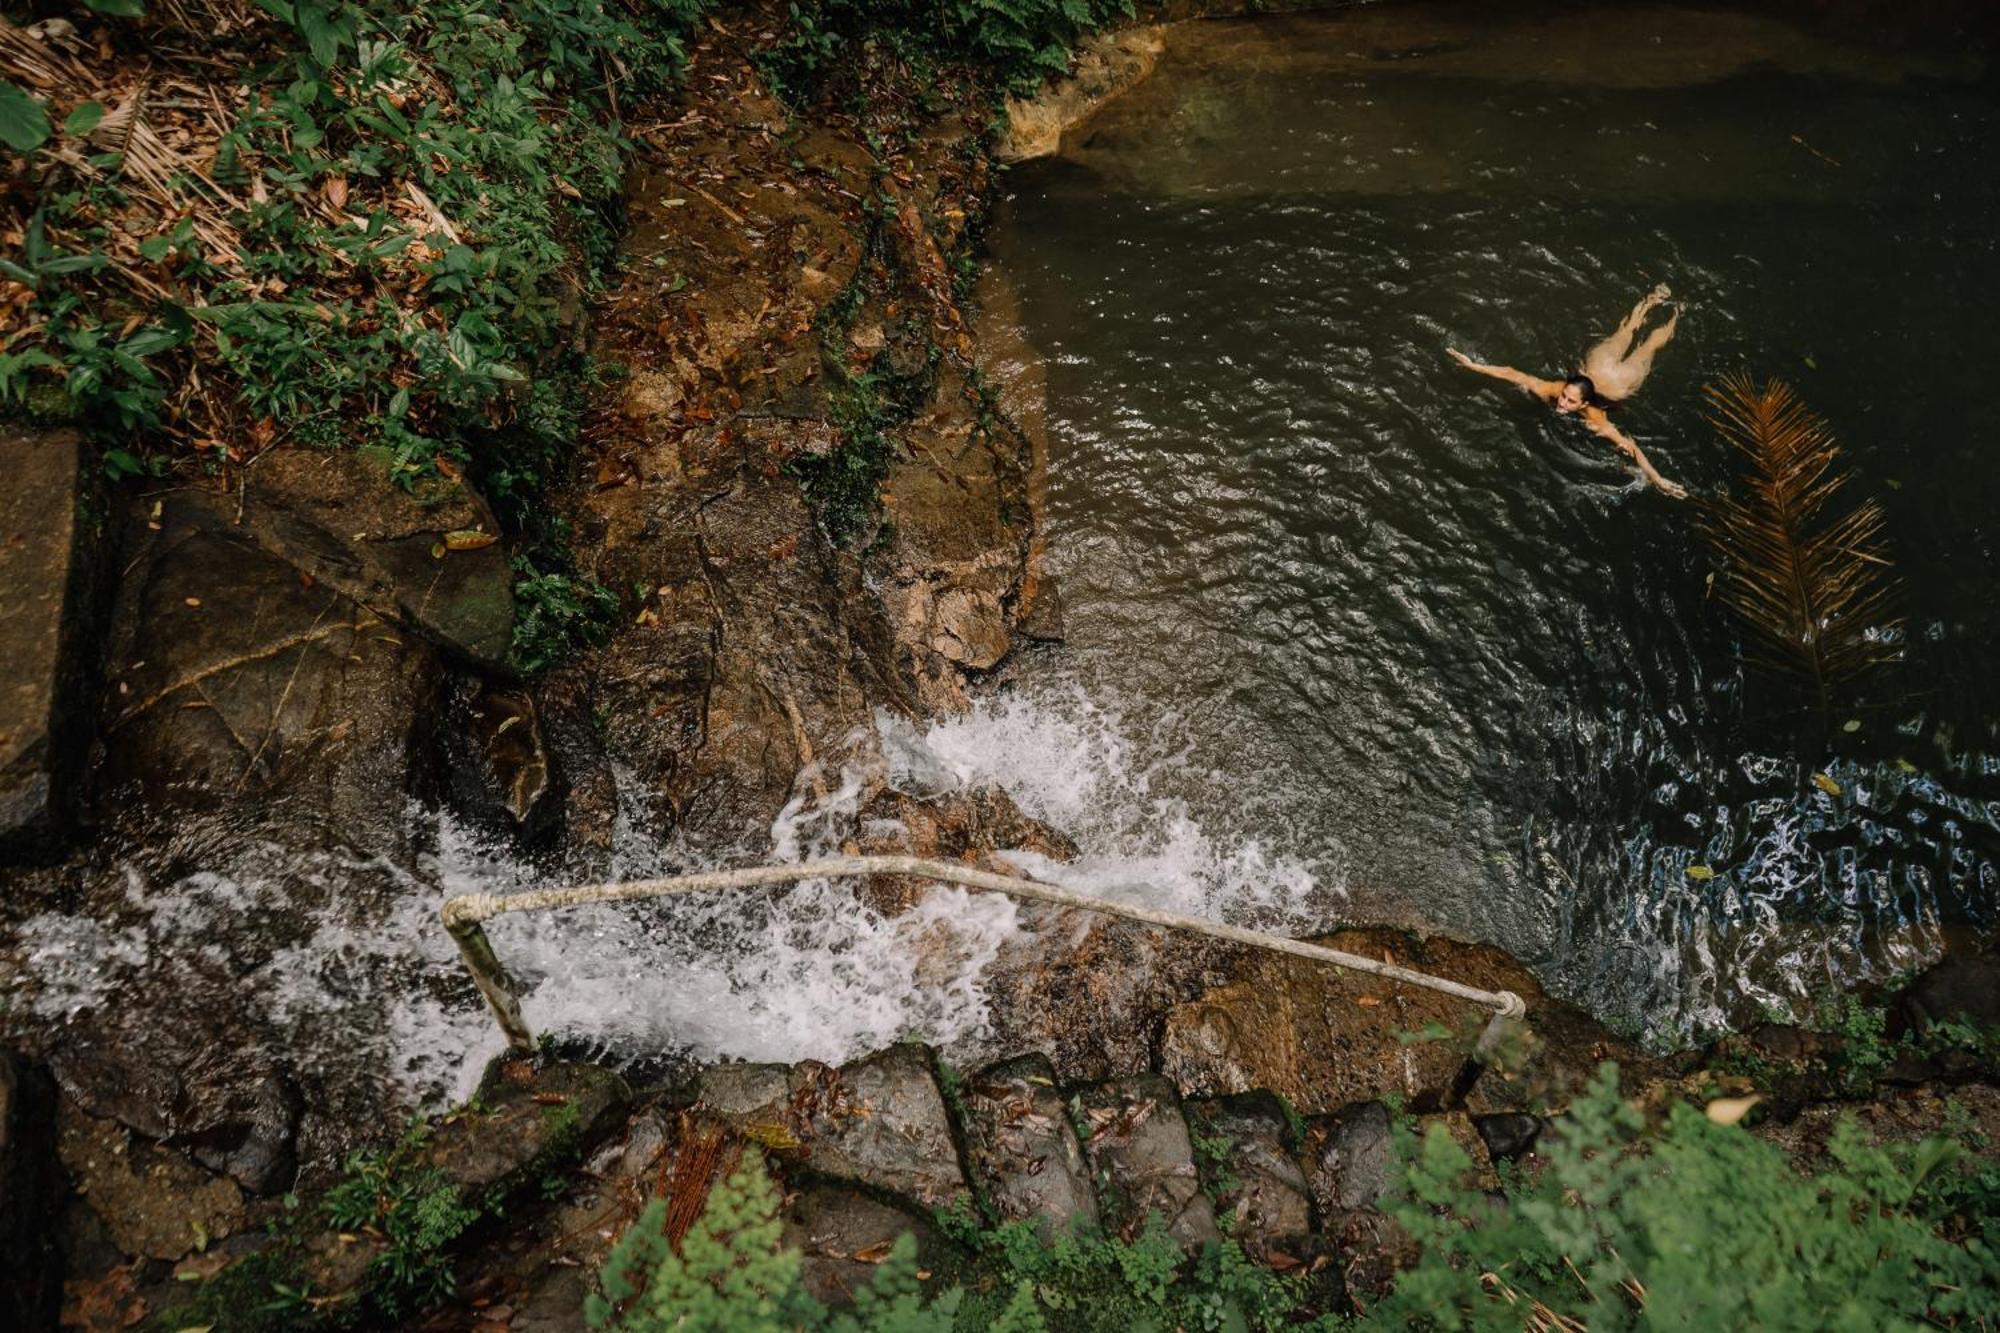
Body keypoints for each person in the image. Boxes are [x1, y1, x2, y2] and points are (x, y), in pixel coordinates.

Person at [1447, 284, 1688, 499]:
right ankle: (1654, 297)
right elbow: (1513, 373)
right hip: (1599, 364)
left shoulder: (1596, 420)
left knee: (1649, 346)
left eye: (1570, 401)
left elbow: (1632, 448)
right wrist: (1473, 365)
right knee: (1624, 332)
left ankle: (1677, 312)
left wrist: (1656, 479)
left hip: (1620, 382)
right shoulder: (1555, 389)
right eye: (1564, 396)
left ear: (1584, 405)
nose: (1562, 402)